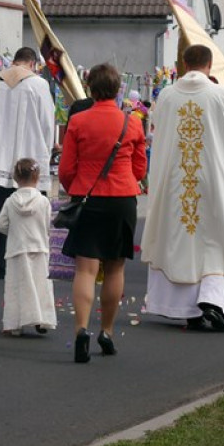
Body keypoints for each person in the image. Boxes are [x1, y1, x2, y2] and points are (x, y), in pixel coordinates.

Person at [141, 45, 224, 331]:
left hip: (177, 182)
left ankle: (188, 309)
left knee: (182, 244)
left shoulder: (166, 96)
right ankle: (213, 299)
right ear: (210, 64)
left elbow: (159, 135)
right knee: (218, 241)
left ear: (184, 64)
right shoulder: (222, 95)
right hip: (215, 180)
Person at [59, 63, 146, 361]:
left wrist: (76, 188)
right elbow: (140, 168)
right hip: (122, 198)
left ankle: (80, 329)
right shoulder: (132, 123)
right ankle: (106, 331)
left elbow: (66, 169)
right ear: (118, 89)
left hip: (88, 197)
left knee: (85, 269)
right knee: (115, 268)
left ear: (90, 89)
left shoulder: (78, 121)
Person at [0, 47, 56, 279]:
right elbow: (47, 122)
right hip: (28, 156)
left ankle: (2, 264)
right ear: (32, 64)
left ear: (15, 61)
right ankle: (26, 260)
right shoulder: (39, 85)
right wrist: (47, 149)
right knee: (28, 212)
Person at [0, 158, 57, 336]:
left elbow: (0, 224)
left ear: (15, 178)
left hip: (17, 248)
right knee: (41, 286)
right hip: (40, 248)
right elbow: (49, 224)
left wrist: (13, 231)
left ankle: (15, 324)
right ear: (37, 177)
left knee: (17, 287)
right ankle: (42, 319)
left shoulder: (10, 201)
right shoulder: (43, 201)